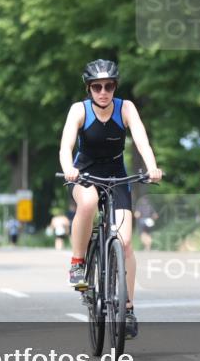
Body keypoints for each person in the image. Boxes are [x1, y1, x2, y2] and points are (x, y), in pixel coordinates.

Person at [59, 59, 163, 339]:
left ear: (115, 87)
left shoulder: (126, 108)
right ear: (89, 89)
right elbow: (66, 145)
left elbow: (142, 141)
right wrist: (69, 168)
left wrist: (152, 167)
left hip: (117, 175)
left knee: (126, 242)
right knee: (88, 203)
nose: (103, 92)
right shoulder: (79, 110)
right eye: (97, 87)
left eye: (109, 86)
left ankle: (127, 309)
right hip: (84, 173)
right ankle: (78, 263)